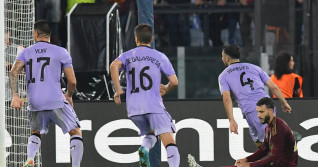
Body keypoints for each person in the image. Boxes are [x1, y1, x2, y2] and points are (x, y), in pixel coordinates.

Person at [10, 20, 83, 167]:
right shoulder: (61, 51)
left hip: (34, 102)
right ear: (49, 35)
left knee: (35, 132)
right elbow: (73, 81)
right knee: (75, 132)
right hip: (55, 100)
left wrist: (15, 96)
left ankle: (30, 158)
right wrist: (68, 95)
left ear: (35, 34)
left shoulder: (26, 52)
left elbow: (13, 72)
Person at [110, 24, 180, 167]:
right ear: (152, 39)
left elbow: (113, 66)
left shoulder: (128, 55)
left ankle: (144, 149)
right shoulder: (159, 56)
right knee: (169, 141)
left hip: (134, 109)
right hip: (153, 105)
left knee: (152, 133)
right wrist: (165, 89)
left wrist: (118, 89)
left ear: (136, 39)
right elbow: (174, 82)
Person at [218, 45, 291, 148]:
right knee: (260, 143)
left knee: (271, 146)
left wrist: (231, 120)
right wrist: (284, 102)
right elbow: (273, 86)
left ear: (226, 58)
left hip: (255, 110)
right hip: (267, 105)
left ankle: (288, 143)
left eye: (222, 56)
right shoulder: (254, 67)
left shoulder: (223, 75)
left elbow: (226, 98)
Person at [234, 97, 298, 167]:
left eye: (261, 112)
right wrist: (246, 159)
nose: (258, 115)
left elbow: (275, 159)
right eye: (257, 112)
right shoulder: (269, 127)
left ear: (271, 110)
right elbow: (263, 149)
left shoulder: (278, 128)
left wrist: (250, 165)